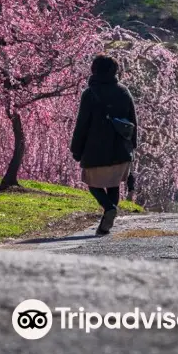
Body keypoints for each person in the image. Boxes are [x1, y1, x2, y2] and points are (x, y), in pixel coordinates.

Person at [70, 55, 138, 235]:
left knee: (93, 184)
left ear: (94, 70)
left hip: (95, 150)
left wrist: (76, 149)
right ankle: (107, 220)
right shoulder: (124, 91)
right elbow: (133, 120)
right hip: (121, 148)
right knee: (113, 184)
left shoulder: (90, 93)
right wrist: (133, 145)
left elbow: (82, 124)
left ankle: (108, 208)